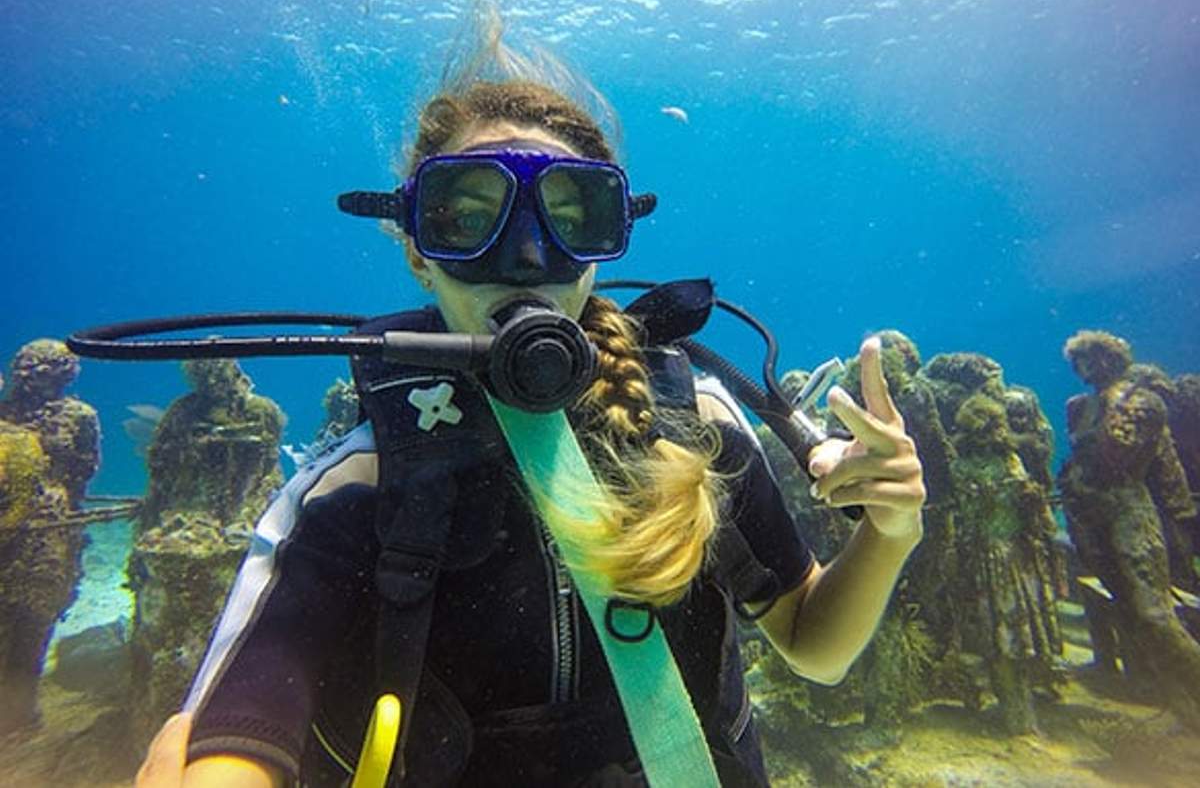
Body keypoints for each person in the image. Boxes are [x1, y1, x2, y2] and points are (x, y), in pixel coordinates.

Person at [145, 47, 926, 788]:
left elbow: (817, 645)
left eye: (570, 218)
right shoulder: (358, 485)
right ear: (418, 250)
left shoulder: (697, 426)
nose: (525, 257)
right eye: (468, 219)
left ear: (603, 246)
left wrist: (890, 531)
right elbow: (240, 742)